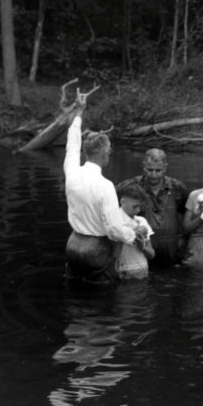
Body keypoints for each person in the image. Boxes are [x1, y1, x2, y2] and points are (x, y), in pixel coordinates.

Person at [63, 110, 146, 284]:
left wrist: (78, 112)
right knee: (101, 298)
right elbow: (113, 229)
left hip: (73, 245)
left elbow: (72, 145)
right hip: (95, 250)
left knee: (75, 290)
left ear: (86, 151)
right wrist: (133, 234)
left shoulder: (72, 172)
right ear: (104, 153)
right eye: (109, 150)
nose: (110, 153)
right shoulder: (105, 185)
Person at [116, 149, 188, 268]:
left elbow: (187, 216)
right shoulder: (129, 187)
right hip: (139, 250)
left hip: (170, 251)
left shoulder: (177, 188)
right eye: (149, 170)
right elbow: (109, 209)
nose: (153, 174)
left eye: (158, 170)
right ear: (143, 165)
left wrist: (183, 241)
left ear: (165, 167)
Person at [115, 184, 155, 280]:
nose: (138, 210)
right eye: (135, 207)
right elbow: (111, 253)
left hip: (142, 270)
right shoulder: (114, 221)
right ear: (122, 201)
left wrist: (143, 247)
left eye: (140, 206)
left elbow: (152, 254)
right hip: (121, 271)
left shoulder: (142, 221)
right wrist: (132, 233)